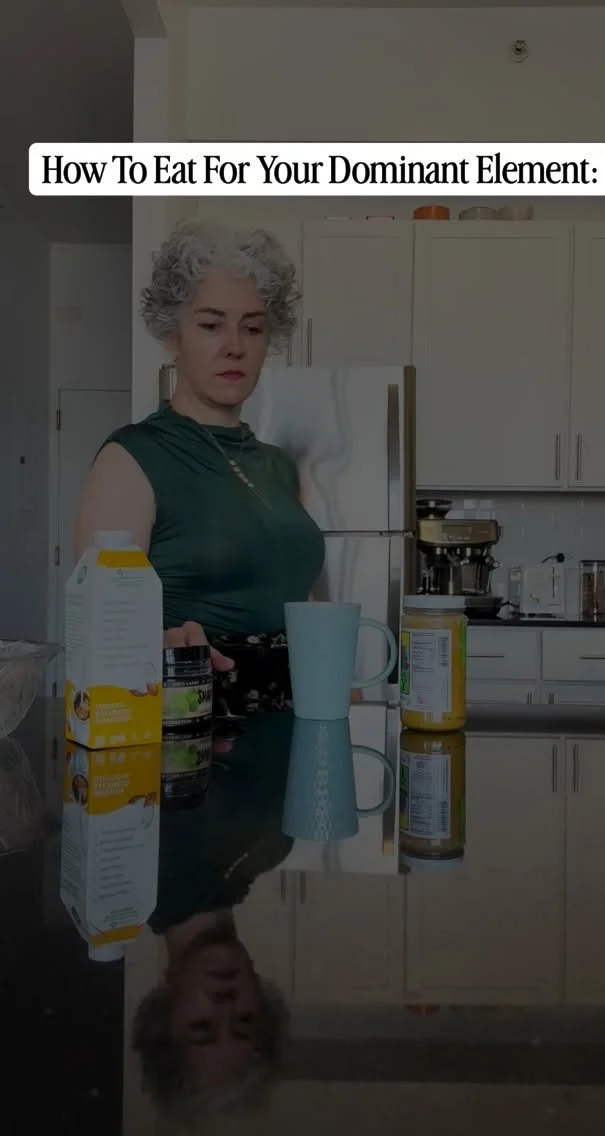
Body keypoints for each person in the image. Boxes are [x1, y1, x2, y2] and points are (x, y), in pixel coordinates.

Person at [75, 220, 326, 714]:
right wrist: (159, 643)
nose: (234, 345)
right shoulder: (132, 457)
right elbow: (97, 624)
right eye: (211, 325)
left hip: (295, 724)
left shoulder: (278, 466)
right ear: (173, 333)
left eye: (252, 327)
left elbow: (291, 593)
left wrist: (338, 673)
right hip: (191, 721)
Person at [132, 714, 294, 1123]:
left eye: (202, 1026)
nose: (225, 1004)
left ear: (165, 1010)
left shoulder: (138, 867)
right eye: (245, 1021)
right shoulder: (273, 847)